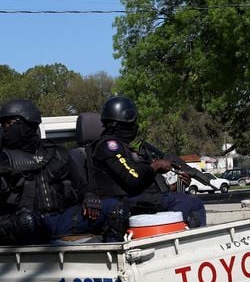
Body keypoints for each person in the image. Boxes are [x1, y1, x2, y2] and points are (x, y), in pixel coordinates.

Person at [86, 96, 206, 229]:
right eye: (132, 124)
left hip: (134, 199)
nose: (135, 127)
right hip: (121, 203)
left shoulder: (121, 147)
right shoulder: (110, 146)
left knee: (184, 198)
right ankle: (171, 238)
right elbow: (133, 178)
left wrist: (177, 185)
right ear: (121, 124)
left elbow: (143, 184)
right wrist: (156, 165)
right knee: (191, 203)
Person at [0, 99, 80, 245]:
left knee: (114, 210)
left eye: (10, 124)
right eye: (4, 126)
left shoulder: (57, 153)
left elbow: (81, 186)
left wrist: (90, 198)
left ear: (27, 123)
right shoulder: (3, 160)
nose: (6, 129)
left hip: (58, 220)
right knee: (27, 221)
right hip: (21, 226)